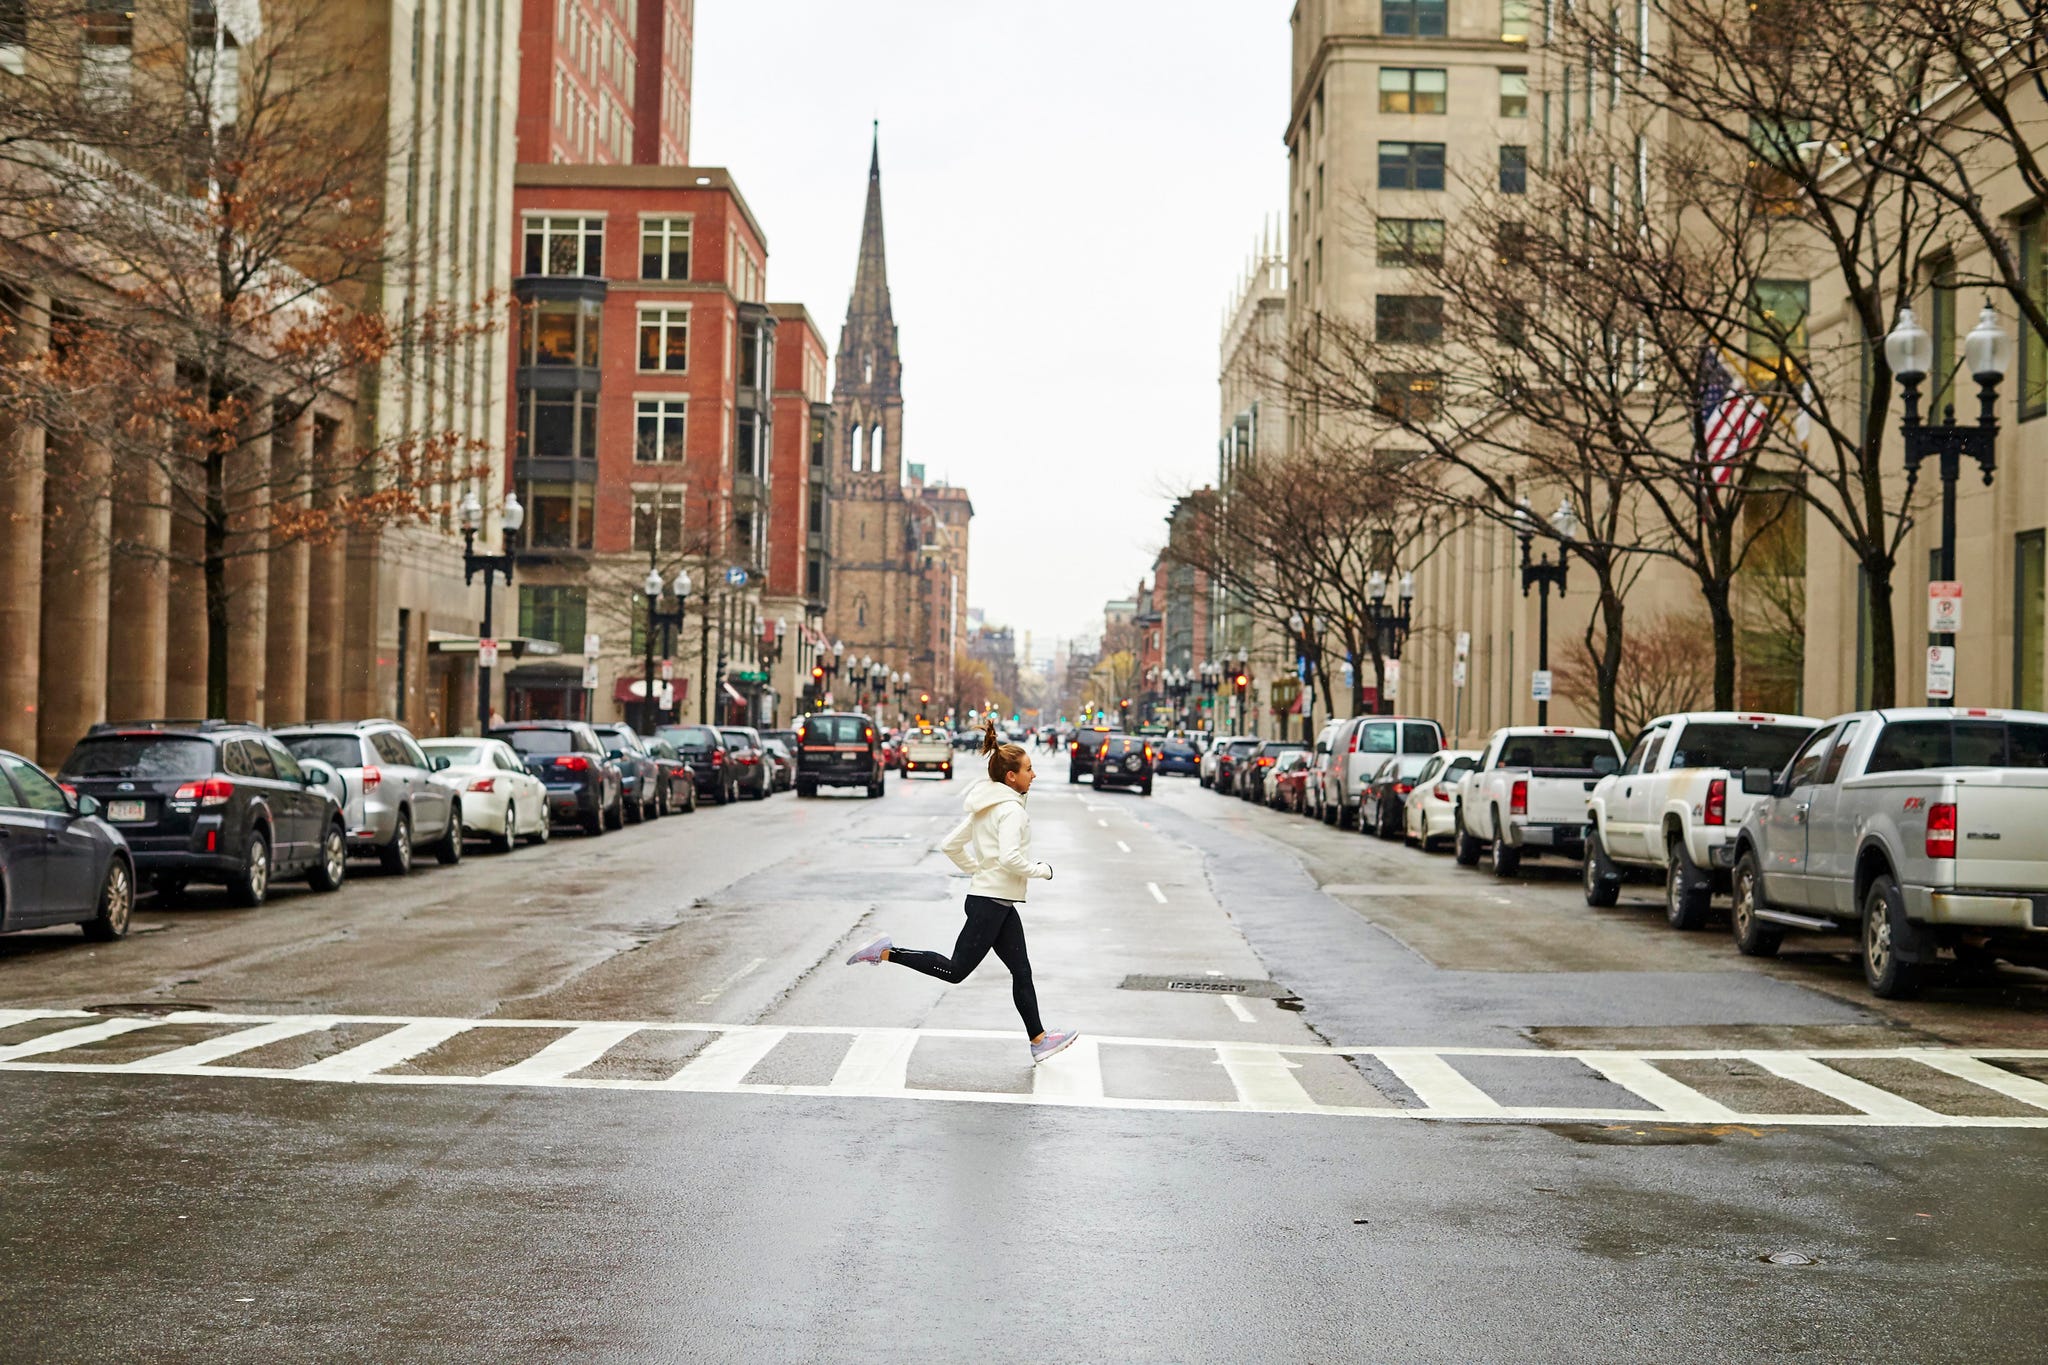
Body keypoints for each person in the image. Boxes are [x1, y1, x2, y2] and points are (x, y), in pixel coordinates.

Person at [845, 718, 1078, 1064]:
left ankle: (1039, 1040)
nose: (1034, 775)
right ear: (1011, 777)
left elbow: (950, 845)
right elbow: (1011, 858)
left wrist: (980, 871)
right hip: (990, 904)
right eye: (1029, 769)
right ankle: (886, 952)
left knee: (1022, 971)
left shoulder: (987, 807)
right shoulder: (1010, 811)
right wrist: (1042, 871)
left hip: (995, 901)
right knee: (955, 972)